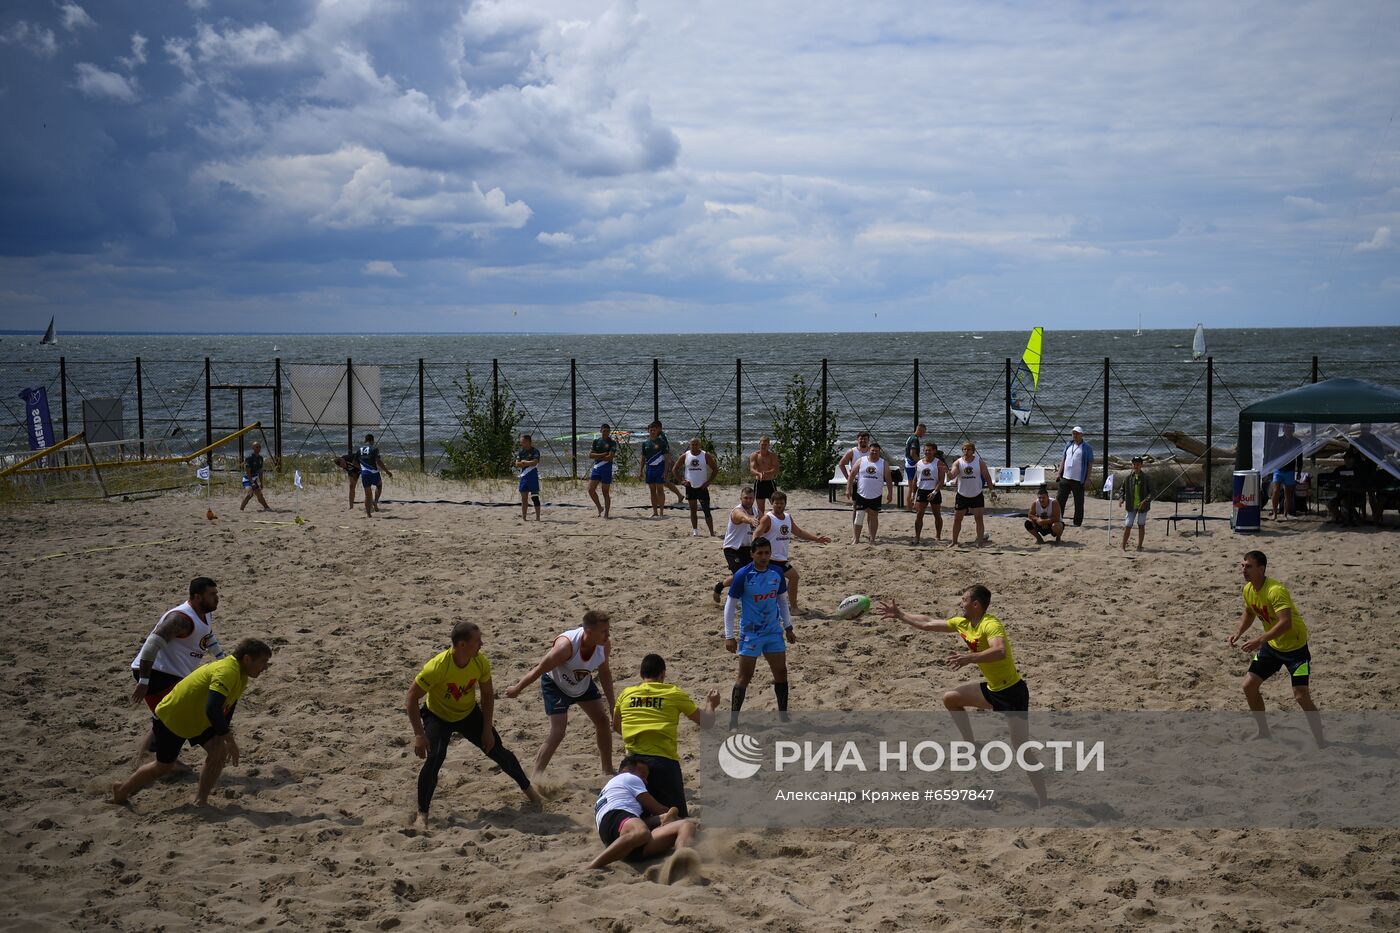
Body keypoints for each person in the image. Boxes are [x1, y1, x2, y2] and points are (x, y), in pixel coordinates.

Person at [876, 587, 1048, 806]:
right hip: (992, 689)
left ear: (976, 605)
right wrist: (900, 614)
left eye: (964, 599)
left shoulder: (990, 624)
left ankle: (1043, 800)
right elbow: (928, 622)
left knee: (1022, 751)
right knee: (951, 699)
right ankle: (972, 747)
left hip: (1012, 693)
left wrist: (970, 658)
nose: (960, 602)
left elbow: (1000, 651)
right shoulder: (963, 623)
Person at [408, 622, 541, 830]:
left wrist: (487, 729)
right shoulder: (437, 667)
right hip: (437, 715)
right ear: (462, 644)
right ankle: (422, 814)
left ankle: (530, 792)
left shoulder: (479, 662)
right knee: (435, 757)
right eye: (477, 641)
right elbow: (411, 698)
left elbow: (487, 694)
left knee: (496, 749)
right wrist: (419, 734)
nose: (482, 644)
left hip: (468, 713)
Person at [112, 638, 273, 807]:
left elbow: (227, 706)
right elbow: (213, 708)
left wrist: (222, 736)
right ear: (247, 659)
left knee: (218, 751)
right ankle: (122, 789)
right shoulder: (227, 671)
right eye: (263, 662)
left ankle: (201, 801)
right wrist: (230, 739)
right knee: (163, 767)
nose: (265, 667)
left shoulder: (241, 676)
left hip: (198, 717)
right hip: (173, 717)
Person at [505, 610, 616, 782]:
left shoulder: (604, 645)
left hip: (582, 683)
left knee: (602, 721)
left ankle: (607, 771)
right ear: (588, 632)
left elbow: (605, 673)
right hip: (556, 685)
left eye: (608, 630)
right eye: (603, 631)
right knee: (558, 732)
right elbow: (539, 669)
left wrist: (612, 704)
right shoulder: (566, 647)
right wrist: (517, 688)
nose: (608, 635)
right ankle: (536, 778)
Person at [1228, 551, 1325, 747]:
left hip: (1296, 651)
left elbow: (1286, 623)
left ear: (1261, 569)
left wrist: (1259, 639)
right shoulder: (1248, 589)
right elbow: (1249, 611)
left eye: (1248, 566)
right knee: (1248, 686)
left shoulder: (1275, 590)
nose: (1243, 570)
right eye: (1242, 566)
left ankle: (1321, 741)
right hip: (1272, 648)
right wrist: (1238, 631)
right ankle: (1263, 732)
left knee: (1301, 696)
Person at [129, 577, 227, 766]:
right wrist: (144, 681)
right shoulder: (180, 619)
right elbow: (150, 646)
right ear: (197, 597)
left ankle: (146, 758)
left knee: (164, 717)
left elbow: (207, 635)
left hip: (174, 675)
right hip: (157, 674)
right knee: (181, 715)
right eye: (212, 594)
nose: (217, 598)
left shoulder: (205, 613)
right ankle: (159, 761)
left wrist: (222, 659)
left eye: (217, 593)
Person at [613, 653, 719, 817]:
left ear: (641, 675)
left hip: (631, 764)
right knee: (677, 820)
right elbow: (707, 722)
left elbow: (617, 726)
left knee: (633, 819)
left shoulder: (625, 695)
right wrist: (711, 705)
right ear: (663, 674)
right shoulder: (673, 693)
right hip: (663, 763)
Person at [725, 537, 796, 728]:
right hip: (751, 633)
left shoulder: (777, 572)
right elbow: (730, 605)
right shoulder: (743, 574)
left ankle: (783, 716)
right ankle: (733, 720)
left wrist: (788, 626)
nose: (764, 557)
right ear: (752, 554)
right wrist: (729, 635)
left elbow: (782, 601)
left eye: (767, 553)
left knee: (781, 672)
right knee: (745, 676)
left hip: (773, 632)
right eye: (760, 553)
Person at [587, 756, 696, 870]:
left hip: (626, 844)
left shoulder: (614, 791)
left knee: (686, 826)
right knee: (641, 832)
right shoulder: (627, 777)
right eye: (642, 775)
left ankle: (683, 867)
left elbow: (632, 822)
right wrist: (669, 814)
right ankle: (592, 865)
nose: (645, 781)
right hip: (617, 820)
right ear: (625, 771)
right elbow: (657, 808)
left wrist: (663, 818)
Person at [753, 489, 830, 614]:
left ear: (785, 504)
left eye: (781, 503)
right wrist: (755, 551)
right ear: (771, 503)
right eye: (776, 503)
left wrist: (816, 539)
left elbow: (798, 532)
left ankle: (793, 608)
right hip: (769, 559)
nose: (779, 505)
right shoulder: (768, 518)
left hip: (782, 558)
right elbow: (757, 533)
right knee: (773, 584)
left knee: (792, 578)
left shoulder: (788, 517)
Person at [714, 485, 760, 604]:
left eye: (750, 498)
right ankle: (739, 599)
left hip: (748, 548)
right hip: (732, 548)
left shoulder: (756, 511)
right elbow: (742, 517)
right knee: (740, 575)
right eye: (746, 498)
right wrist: (751, 520)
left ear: (754, 498)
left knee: (749, 575)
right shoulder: (737, 511)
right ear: (741, 499)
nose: (748, 500)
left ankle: (720, 586)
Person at [948, 441, 996, 548]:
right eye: (964, 449)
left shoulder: (979, 462)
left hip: (976, 494)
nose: (966, 451)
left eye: (968, 449)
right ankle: (954, 541)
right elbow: (952, 475)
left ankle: (980, 543)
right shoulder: (958, 462)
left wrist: (992, 491)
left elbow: (987, 477)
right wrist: (948, 473)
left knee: (979, 518)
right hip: (962, 495)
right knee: (957, 519)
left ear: (973, 451)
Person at [846, 440, 894, 545]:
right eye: (872, 451)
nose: (874, 453)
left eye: (876, 451)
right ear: (869, 451)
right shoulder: (861, 460)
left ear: (879, 452)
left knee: (873, 516)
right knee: (859, 516)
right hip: (861, 494)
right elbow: (852, 475)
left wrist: (890, 493)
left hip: (875, 495)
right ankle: (856, 539)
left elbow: (889, 480)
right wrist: (848, 488)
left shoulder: (883, 463)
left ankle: (872, 539)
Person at [673, 437, 718, 537]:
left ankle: (711, 532)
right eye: (692, 444)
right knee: (693, 509)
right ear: (690, 445)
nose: (694, 446)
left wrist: (708, 482)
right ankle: (695, 531)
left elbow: (715, 469)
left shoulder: (705, 455)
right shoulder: (685, 455)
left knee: (706, 510)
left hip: (702, 487)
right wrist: (682, 481)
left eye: (696, 444)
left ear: (699, 445)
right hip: (690, 486)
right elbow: (675, 469)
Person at [1056, 426, 1094, 527]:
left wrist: (1087, 479)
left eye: (1077, 433)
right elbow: (1063, 459)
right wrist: (1059, 473)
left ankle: (1077, 523)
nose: (1075, 435)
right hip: (1065, 477)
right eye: (1073, 433)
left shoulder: (1086, 447)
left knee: (1078, 502)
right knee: (1060, 500)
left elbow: (1090, 464)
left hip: (1078, 480)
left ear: (1081, 435)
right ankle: (1059, 519)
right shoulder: (1068, 445)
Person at [913, 441, 948, 544]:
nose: (927, 452)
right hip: (922, 491)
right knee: (919, 515)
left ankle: (938, 536)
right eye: (925, 450)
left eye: (929, 450)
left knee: (937, 514)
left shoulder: (938, 463)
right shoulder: (919, 463)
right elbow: (915, 480)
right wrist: (912, 494)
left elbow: (941, 481)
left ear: (934, 451)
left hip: (934, 491)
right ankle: (917, 537)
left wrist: (934, 492)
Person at [1119, 457, 1153, 551]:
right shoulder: (1128, 477)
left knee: (1141, 524)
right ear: (1132, 465)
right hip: (1131, 505)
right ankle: (1123, 545)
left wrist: (1145, 501)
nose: (1136, 466)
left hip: (1143, 506)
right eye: (1134, 464)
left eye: (1138, 464)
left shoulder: (1146, 478)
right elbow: (1122, 490)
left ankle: (1139, 545)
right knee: (1128, 524)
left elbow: (1152, 492)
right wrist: (1121, 498)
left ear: (1141, 465)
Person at [358, 433, 393, 518]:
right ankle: (375, 501)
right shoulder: (374, 448)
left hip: (364, 473)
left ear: (365, 440)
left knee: (367, 494)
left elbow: (356, 462)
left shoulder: (360, 450)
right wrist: (387, 471)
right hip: (373, 472)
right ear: (372, 440)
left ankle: (368, 514)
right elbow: (378, 461)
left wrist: (361, 469)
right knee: (379, 485)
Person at [639, 422, 670, 518]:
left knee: (660, 490)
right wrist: (640, 471)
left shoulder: (662, 442)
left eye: (654, 430)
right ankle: (654, 511)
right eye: (651, 430)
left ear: (657, 431)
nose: (652, 432)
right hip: (649, 469)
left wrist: (666, 471)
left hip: (659, 469)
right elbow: (643, 458)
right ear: (648, 431)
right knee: (652, 490)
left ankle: (661, 511)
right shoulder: (645, 443)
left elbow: (666, 457)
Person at [588, 424, 619, 518]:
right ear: (600, 431)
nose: (605, 433)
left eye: (607, 431)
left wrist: (598, 455)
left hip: (606, 469)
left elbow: (610, 457)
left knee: (605, 492)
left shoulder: (612, 442)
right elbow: (590, 455)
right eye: (604, 431)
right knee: (590, 490)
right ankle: (599, 507)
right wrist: (603, 454)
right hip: (597, 468)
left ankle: (606, 513)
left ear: (609, 432)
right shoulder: (596, 441)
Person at [655, 421, 688, 507]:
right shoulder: (660, 436)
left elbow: (663, 450)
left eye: (656, 428)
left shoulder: (661, 437)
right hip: (662, 461)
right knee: (665, 482)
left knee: (662, 481)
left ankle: (661, 500)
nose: (654, 430)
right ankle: (679, 495)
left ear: (660, 428)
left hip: (663, 461)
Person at [748, 435, 780, 516]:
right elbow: (752, 469)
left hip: (770, 482)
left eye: (765, 445)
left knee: (776, 504)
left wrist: (767, 473)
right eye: (762, 444)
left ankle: (776, 522)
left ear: (768, 445)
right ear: (759, 444)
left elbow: (776, 469)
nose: (763, 446)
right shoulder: (754, 455)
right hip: (759, 482)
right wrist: (759, 473)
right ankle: (762, 526)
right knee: (761, 508)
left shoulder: (772, 455)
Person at [515, 433, 542, 521]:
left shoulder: (535, 451)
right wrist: (524, 463)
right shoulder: (520, 452)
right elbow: (517, 464)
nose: (521, 443)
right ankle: (524, 518)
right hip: (524, 477)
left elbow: (535, 462)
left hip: (532, 476)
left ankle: (537, 517)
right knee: (524, 498)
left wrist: (524, 462)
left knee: (535, 497)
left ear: (528, 442)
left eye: (522, 442)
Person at [836, 432, 872, 497]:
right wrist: (848, 478)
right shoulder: (852, 452)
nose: (863, 441)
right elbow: (841, 464)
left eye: (865, 439)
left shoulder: (872, 451)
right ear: (857, 440)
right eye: (861, 439)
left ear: (868, 440)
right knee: (857, 502)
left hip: (869, 476)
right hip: (856, 478)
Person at [239, 440, 271, 512]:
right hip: (247, 479)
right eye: (257, 447)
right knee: (250, 494)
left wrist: (261, 482)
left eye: (259, 447)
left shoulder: (260, 458)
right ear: (253, 448)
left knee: (259, 494)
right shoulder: (249, 458)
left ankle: (267, 508)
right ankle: (241, 510)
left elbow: (260, 471)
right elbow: (248, 472)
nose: (258, 448)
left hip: (254, 479)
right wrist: (251, 482)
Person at [903, 424, 927, 512]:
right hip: (912, 465)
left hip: (908, 463)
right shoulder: (914, 439)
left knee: (911, 486)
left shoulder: (910, 437)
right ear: (919, 430)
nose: (923, 434)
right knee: (912, 486)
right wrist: (921, 463)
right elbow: (913, 453)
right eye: (923, 432)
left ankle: (910, 506)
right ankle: (910, 506)